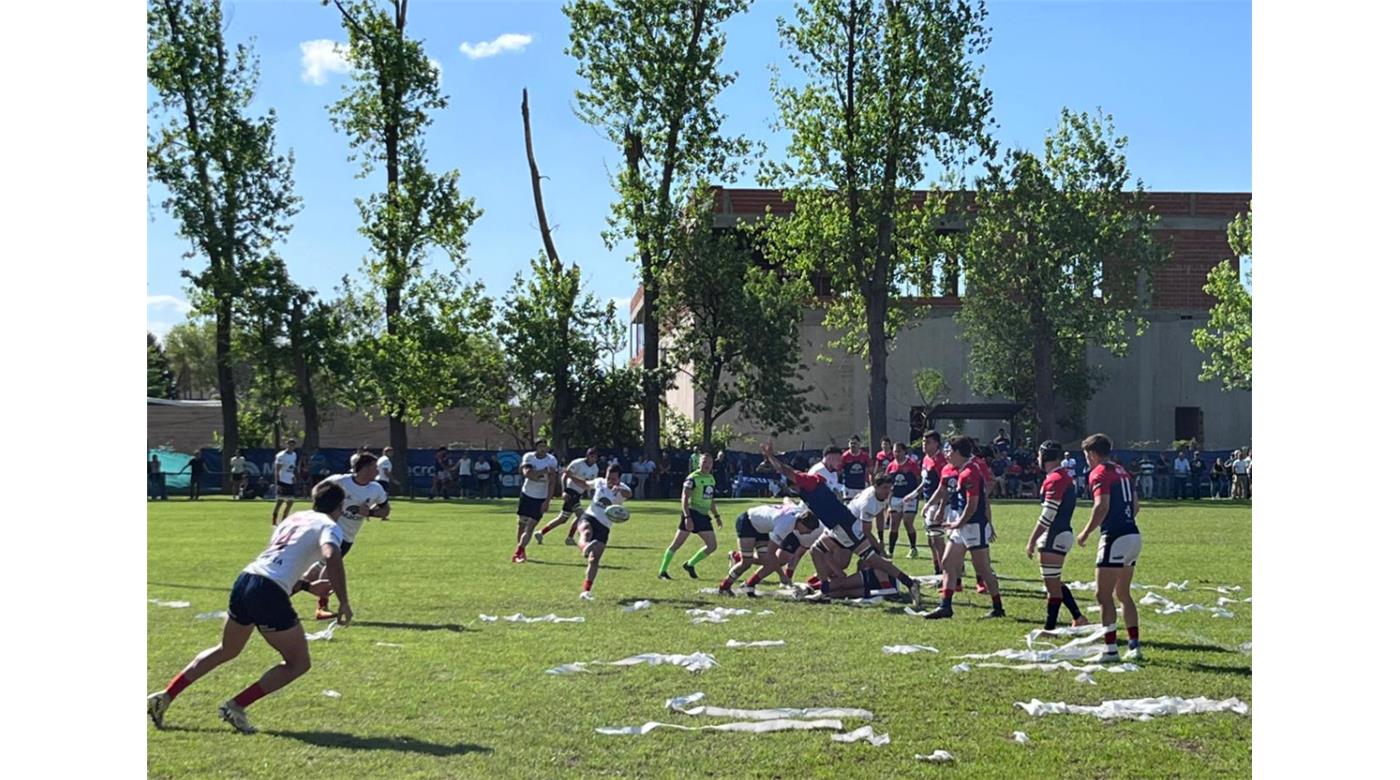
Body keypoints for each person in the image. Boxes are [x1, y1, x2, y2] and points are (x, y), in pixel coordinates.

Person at [147, 480, 352, 734]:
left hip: (246, 579)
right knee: (298, 663)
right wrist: (344, 601)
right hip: (267, 590)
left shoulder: (294, 518)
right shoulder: (330, 525)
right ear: (340, 507)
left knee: (227, 649)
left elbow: (277, 561)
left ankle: (165, 696)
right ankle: (236, 705)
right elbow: (331, 555)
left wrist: (308, 587)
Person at [758, 442, 922, 607]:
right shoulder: (811, 483)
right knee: (816, 551)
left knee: (872, 559)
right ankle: (824, 590)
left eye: (792, 486)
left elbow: (786, 470)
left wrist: (771, 457)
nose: (793, 490)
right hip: (838, 526)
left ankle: (909, 583)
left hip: (844, 526)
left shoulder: (806, 480)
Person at [1077, 433, 1143, 663]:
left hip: (1115, 536)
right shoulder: (1122, 470)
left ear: (1093, 454)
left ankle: (1110, 649)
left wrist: (1086, 532)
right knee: (1123, 593)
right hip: (1133, 534)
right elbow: (1136, 506)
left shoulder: (1099, 472)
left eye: (1087, 455)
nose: (1087, 460)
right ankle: (1134, 645)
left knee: (1103, 595)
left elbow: (1101, 506)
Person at [301, 453, 390, 620]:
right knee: (330, 566)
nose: (378, 471)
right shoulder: (341, 481)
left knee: (312, 573)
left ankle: (279, 597)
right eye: (375, 467)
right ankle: (322, 607)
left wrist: (370, 512)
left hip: (348, 536)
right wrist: (323, 510)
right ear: (365, 468)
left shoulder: (376, 489)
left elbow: (386, 510)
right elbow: (317, 490)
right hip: (330, 531)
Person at [925, 435, 1004, 620]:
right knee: (947, 562)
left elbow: (973, 504)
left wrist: (958, 523)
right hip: (960, 524)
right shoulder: (955, 469)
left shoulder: (970, 472)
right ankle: (945, 606)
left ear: (959, 452)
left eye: (950, 451)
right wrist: (932, 506)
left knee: (983, 569)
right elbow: (944, 491)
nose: (947, 455)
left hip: (973, 525)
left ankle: (998, 607)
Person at [1023, 441, 1089, 631]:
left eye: (1039, 455)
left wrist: (1031, 540)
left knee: (1052, 587)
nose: (1037, 458)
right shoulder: (1062, 476)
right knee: (1054, 581)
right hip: (1060, 532)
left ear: (1045, 456)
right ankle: (1078, 617)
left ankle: (1049, 628)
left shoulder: (1056, 478)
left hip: (1054, 534)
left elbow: (1048, 514)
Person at [718, 501, 820, 595]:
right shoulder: (785, 525)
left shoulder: (799, 514)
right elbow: (771, 553)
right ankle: (724, 586)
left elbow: (788, 502)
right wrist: (782, 576)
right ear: (801, 523)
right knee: (746, 562)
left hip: (762, 527)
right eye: (809, 529)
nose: (809, 533)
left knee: (770, 563)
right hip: (748, 523)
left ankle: (749, 584)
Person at [659, 452, 724, 579]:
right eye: (704, 462)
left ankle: (690, 564)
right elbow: (684, 498)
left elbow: (710, 499)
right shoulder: (693, 478)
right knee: (676, 544)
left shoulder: (711, 478)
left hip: (703, 516)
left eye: (710, 462)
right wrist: (687, 517)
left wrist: (717, 516)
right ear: (699, 463)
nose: (707, 465)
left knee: (712, 546)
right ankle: (662, 571)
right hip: (692, 513)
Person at [577, 463, 632, 600]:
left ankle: (586, 591)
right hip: (590, 516)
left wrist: (620, 489)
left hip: (604, 526)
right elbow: (585, 484)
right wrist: (569, 476)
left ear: (619, 479)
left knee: (594, 560)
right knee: (586, 532)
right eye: (608, 478)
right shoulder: (599, 482)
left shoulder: (623, 488)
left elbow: (629, 494)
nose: (610, 481)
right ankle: (585, 547)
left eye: (613, 479)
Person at [536, 447, 601, 546]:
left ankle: (541, 533)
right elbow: (565, 476)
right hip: (570, 492)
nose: (593, 459)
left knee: (563, 518)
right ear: (587, 456)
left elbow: (590, 483)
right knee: (582, 516)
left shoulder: (595, 468)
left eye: (595, 457)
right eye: (591, 456)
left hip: (578, 495)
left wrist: (590, 493)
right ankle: (582, 538)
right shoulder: (577, 463)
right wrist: (564, 491)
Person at [512, 439, 558, 563]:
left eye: (545, 446)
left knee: (531, 527)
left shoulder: (552, 460)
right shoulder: (529, 457)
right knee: (522, 525)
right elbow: (528, 474)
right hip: (527, 494)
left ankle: (518, 552)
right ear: (536, 448)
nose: (543, 449)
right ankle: (521, 552)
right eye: (540, 446)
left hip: (541, 497)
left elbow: (552, 481)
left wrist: (548, 500)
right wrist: (544, 471)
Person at [918, 430, 949, 576]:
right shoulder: (926, 459)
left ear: (936, 444)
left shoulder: (941, 461)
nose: (924, 445)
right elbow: (925, 482)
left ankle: (944, 573)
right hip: (928, 503)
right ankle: (938, 569)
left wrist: (941, 508)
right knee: (931, 540)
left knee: (937, 540)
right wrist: (914, 495)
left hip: (938, 505)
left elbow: (945, 487)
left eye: (928, 442)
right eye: (924, 442)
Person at [886, 441, 922, 558]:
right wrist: (888, 499)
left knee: (907, 522)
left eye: (899, 451)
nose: (896, 454)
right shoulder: (891, 466)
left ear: (904, 451)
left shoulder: (911, 464)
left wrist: (916, 494)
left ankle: (913, 548)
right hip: (896, 497)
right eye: (894, 451)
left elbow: (918, 479)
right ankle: (890, 551)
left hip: (910, 497)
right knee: (894, 524)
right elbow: (888, 482)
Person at [271, 439, 298, 525]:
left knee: (290, 502)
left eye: (293, 445)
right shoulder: (281, 455)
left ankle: (284, 521)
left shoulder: (294, 454)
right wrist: (278, 483)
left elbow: (292, 467)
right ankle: (274, 521)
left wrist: (293, 476)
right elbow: (277, 470)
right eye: (290, 444)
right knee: (280, 502)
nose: (291, 447)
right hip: (282, 481)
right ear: (287, 445)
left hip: (290, 481)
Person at [840, 435, 871, 500]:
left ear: (859, 444)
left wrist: (869, 483)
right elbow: (839, 471)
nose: (853, 445)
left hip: (861, 486)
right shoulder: (844, 456)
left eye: (855, 443)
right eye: (851, 443)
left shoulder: (864, 456)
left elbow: (869, 470)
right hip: (849, 487)